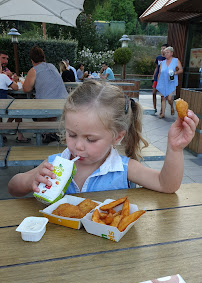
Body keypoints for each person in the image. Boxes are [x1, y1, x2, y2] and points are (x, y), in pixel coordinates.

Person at [8, 79, 199, 198]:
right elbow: (13, 188)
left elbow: (166, 185)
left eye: (91, 139)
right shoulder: (54, 165)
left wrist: (174, 149)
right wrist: (30, 179)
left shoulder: (123, 169)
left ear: (117, 137)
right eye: (72, 135)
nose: (78, 146)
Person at [23, 46, 68, 143]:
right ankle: (52, 133)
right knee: (49, 105)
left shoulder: (34, 70)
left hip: (48, 104)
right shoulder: (52, 66)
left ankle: (45, 134)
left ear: (31, 60)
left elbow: (26, 89)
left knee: (39, 108)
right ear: (43, 57)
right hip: (64, 101)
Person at [0, 53, 31, 143]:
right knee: (18, 108)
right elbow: (16, 87)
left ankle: (5, 129)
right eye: (3, 58)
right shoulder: (3, 76)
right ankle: (19, 136)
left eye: (7, 59)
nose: (5, 61)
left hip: (3, 101)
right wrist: (15, 80)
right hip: (3, 102)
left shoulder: (6, 70)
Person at [157, 46, 183, 119]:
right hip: (163, 82)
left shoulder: (176, 60)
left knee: (169, 98)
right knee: (163, 98)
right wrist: (158, 83)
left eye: (167, 52)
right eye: (165, 53)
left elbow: (181, 70)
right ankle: (162, 113)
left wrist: (175, 73)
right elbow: (159, 73)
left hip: (171, 83)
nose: (166, 54)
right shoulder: (162, 62)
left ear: (171, 53)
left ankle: (172, 107)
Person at [152, 44, 167, 113]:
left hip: (163, 79)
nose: (162, 50)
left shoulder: (168, 59)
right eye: (161, 49)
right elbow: (156, 67)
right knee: (154, 93)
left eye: (164, 48)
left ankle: (162, 110)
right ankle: (154, 108)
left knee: (162, 96)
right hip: (156, 78)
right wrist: (154, 75)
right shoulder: (158, 58)